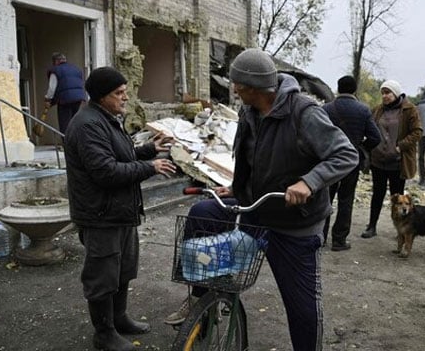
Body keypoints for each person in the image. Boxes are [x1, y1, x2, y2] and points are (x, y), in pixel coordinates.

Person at [164, 48, 358, 351]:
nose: (234, 90)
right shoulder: (249, 111)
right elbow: (254, 158)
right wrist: (238, 187)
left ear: (253, 87)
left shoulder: (303, 113)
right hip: (254, 210)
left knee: (302, 309)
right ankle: (201, 302)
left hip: (295, 226)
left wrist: (309, 181)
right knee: (203, 212)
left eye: (237, 85)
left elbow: (346, 154)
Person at [64, 66, 176, 351]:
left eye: (125, 92)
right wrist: (150, 167)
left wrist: (150, 149)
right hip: (100, 214)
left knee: (123, 269)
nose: (125, 98)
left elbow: (121, 154)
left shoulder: (106, 118)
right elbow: (105, 171)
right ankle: (104, 333)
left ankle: (119, 318)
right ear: (102, 96)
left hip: (120, 211)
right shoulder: (87, 124)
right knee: (102, 276)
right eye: (119, 93)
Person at [321, 75, 381, 251]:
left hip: (329, 159)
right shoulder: (363, 110)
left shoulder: (326, 109)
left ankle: (320, 237)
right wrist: (360, 147)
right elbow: (375, 137)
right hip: (351, 161)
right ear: (355, 90)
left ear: (338, 89)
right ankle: (339, 240)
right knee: (346, 200)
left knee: (326, 199)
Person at [361, 80, 422, 239]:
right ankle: (372, 226)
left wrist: (400, 146)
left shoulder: (409, 110)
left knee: (398, 198)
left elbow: (417, 132)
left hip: (397, 162)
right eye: (382, 93)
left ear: (396, 93)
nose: (384, 96)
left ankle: (401, 230)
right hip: (378, 160)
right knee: (377, 194)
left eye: (388, 92)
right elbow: (369, 128)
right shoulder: (377, 110)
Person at [45, 52, 87, 134]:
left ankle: (67, 143)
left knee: (65, 123)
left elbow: (52, 88)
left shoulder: (55, 70)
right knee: (74, 122)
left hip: (65, 99)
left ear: (56, 61)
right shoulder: (76, 69)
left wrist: (48, 99)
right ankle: (76, 142)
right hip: (78, 98)